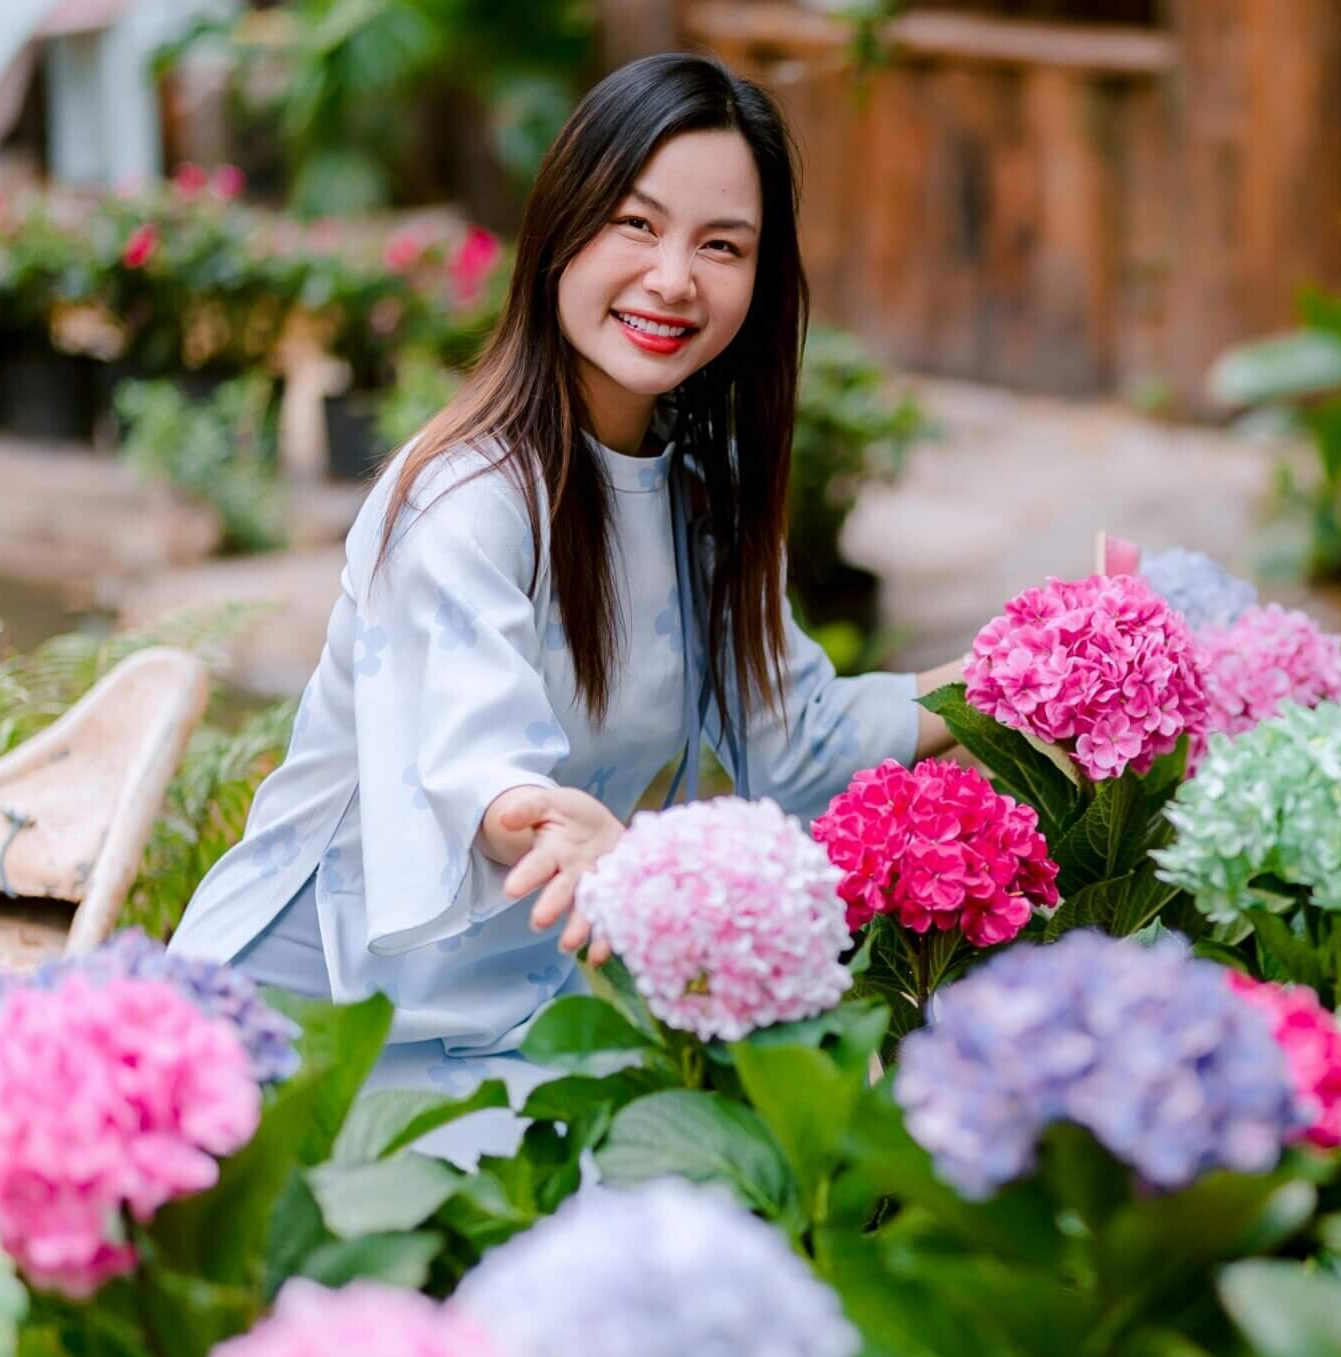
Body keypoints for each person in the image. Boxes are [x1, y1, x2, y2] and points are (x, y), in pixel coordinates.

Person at [168, 53, 960, 1141]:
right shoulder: (466, 500)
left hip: (509, 1020)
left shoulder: (704, 498)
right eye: (637, 224)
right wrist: (572, 833)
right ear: (561, 226)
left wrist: (1028, 678)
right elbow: (482, 774)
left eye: (721, 245)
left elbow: (799, 739)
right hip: (311, 1019)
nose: (673, 279)